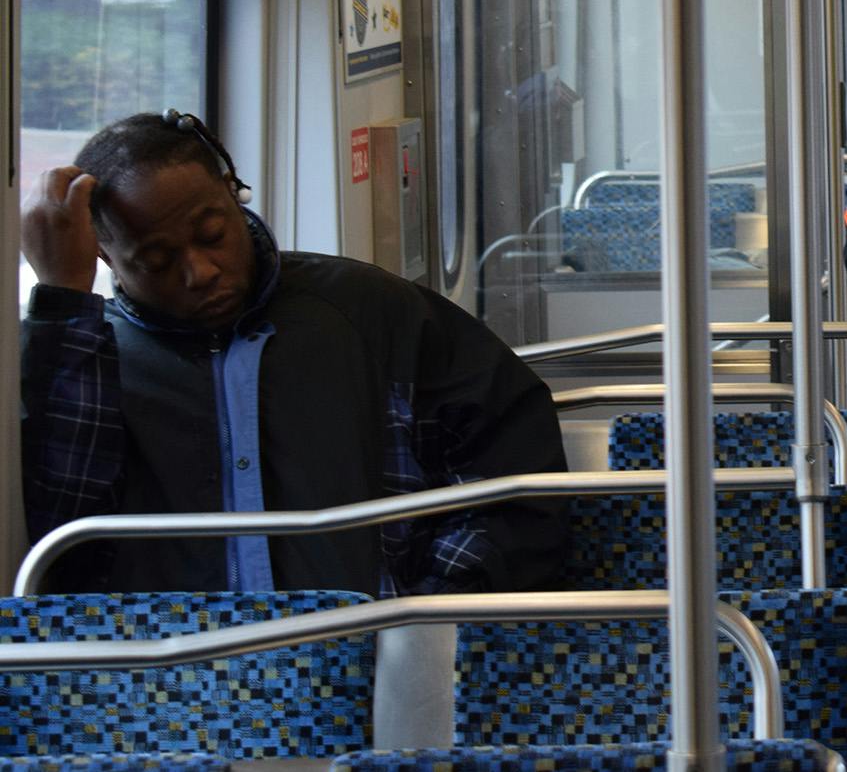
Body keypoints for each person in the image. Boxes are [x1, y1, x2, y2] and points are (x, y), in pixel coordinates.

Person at [21, 111, 570, 595]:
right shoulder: (88, 358)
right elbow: (59, 518)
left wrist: (425, 619)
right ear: (108, 260)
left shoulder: (368, 311)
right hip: (174, 681)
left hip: (380, 652)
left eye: (214, 234)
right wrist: (64, 298)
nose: (201, 272)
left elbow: (510, 475)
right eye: (157, 261)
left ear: (236, 198)